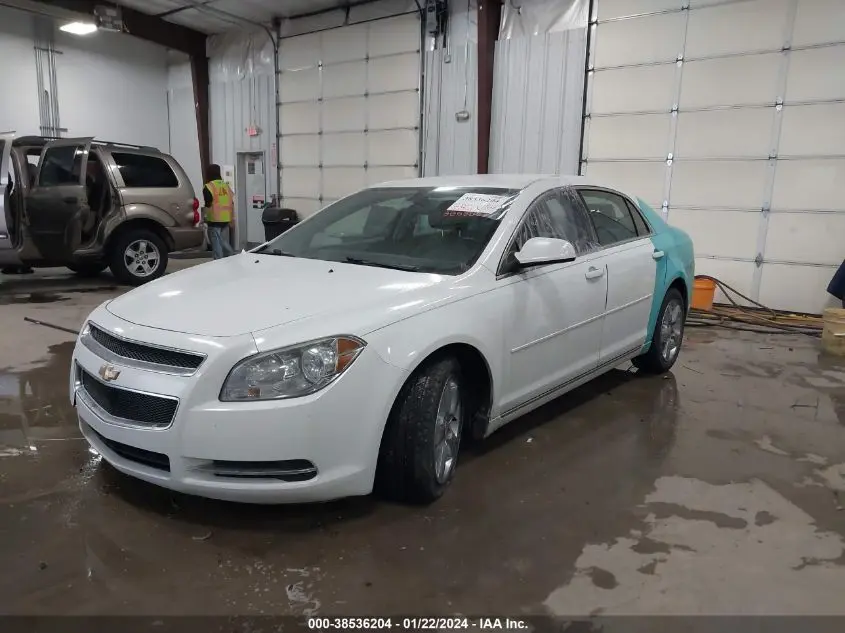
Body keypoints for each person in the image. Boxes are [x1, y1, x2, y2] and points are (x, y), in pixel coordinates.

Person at [203, 164, 235, 260]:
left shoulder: (209, 187)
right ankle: (230, 257)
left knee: (217, 244)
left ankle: (220, 261)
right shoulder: (226, 186)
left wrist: (203, 218)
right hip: (226, 219)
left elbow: (208, 204)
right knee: (223, 241)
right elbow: (231, 203)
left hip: (214, 219)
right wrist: (232, 219)